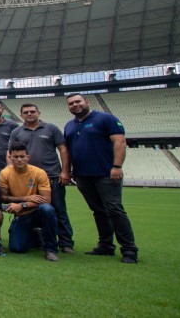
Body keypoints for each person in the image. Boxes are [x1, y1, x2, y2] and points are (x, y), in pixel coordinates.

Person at [64, 93, 138, 264]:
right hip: (82, 175)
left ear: (87, 102)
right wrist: (69, 171)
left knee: (114, 209)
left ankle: (129, 249)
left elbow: (119, 142)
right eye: (71, 103)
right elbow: (68, 150)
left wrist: (117, 166)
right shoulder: (70, 126)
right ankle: (105, 245)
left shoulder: (105, 118)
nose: (75, 105)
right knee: (98, 211)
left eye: (78, 102)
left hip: (106, 174)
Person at [9, 103, 74, 254]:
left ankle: (65, 242)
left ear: (39, 113)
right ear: (21, 115)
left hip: (52, 175)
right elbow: (10, 153)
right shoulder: (17, 131)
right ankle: (34, 234)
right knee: (29, 206)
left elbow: (63, 149)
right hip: (27, 178)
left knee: (58, 209)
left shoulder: (51, 128)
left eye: (32, 111)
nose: (30, 114)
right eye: (26, 112)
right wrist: (11, 172)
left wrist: (65, 171)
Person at [0, 142, 60, 262]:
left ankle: (51, 249)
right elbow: (3, 197)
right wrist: (25, 199)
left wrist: (22, 205)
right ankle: (36, 236)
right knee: (17, 248)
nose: (19, 160)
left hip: (38, 212)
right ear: (10, 158)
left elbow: (46, 200)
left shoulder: (39, 173)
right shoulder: (5, 173)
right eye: (15, 157)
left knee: (47, 209)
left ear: (28, 157)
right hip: (22, 215)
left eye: (22, 156)